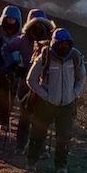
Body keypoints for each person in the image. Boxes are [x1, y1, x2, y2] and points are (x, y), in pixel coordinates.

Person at [25, 27, 87, 173]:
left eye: (66, 43)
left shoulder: (75, 56)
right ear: (54, 43)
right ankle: (32, 161)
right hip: (46, 104)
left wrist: (74, 94)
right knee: (38, 134)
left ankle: (61, 165)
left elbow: (82, 77)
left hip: (66, 104)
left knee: (63, 138)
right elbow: (30, 79)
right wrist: (45, 95)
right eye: (61, 43)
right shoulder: (45, 56)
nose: (63, 46)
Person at [14, 10, 57, 151]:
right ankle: (27, 145)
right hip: (31, 82)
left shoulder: (45, 44)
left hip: (37, 82)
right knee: (30, 114)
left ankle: (31, 145)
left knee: (33, 115)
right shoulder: (26, 40)